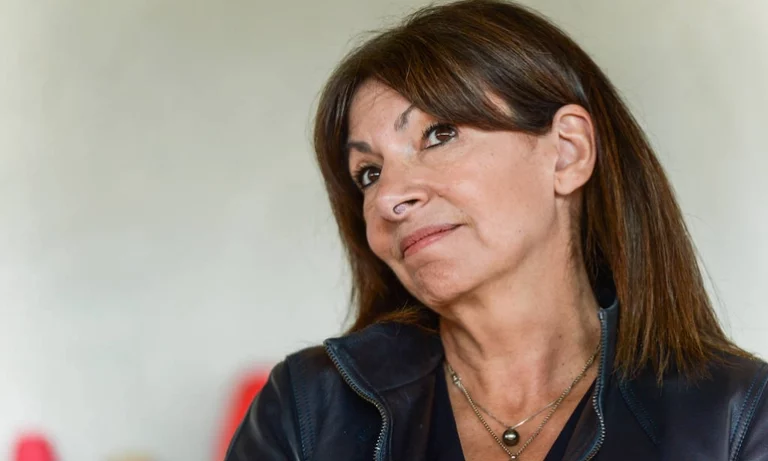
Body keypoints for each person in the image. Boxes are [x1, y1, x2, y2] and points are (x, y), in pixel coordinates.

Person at [225, 1, 768, 459]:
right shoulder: (303, 409)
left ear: (567, 153)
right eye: (368, 173)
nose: (388, 198)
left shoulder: (737, 418)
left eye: (438, 135)